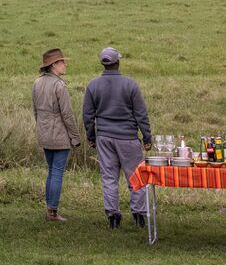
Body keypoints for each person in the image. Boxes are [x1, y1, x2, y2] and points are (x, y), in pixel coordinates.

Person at [81, 45, 152, 229]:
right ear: (118, 63)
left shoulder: (93, 85)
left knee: (109, 178)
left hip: (104, 137)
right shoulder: (131, 84)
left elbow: (88, 115)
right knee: (135, 176)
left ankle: (112, 216)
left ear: (103, 65)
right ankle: (138, 214)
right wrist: (146, 137)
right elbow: (141, 114)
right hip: (128, 137)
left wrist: (91, 136)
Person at [32, 48, 80, 222]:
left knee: (51, 171)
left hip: (44, 133)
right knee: (57, 172)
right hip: (59, 135)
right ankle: (52, 211)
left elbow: (35, 111)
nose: (65, 65)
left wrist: (41, 128)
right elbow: (67, 115)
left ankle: (50, 208)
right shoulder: (59, 85)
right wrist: (75, 137)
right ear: (53, 65)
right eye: (62, 62)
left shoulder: (37, 83)